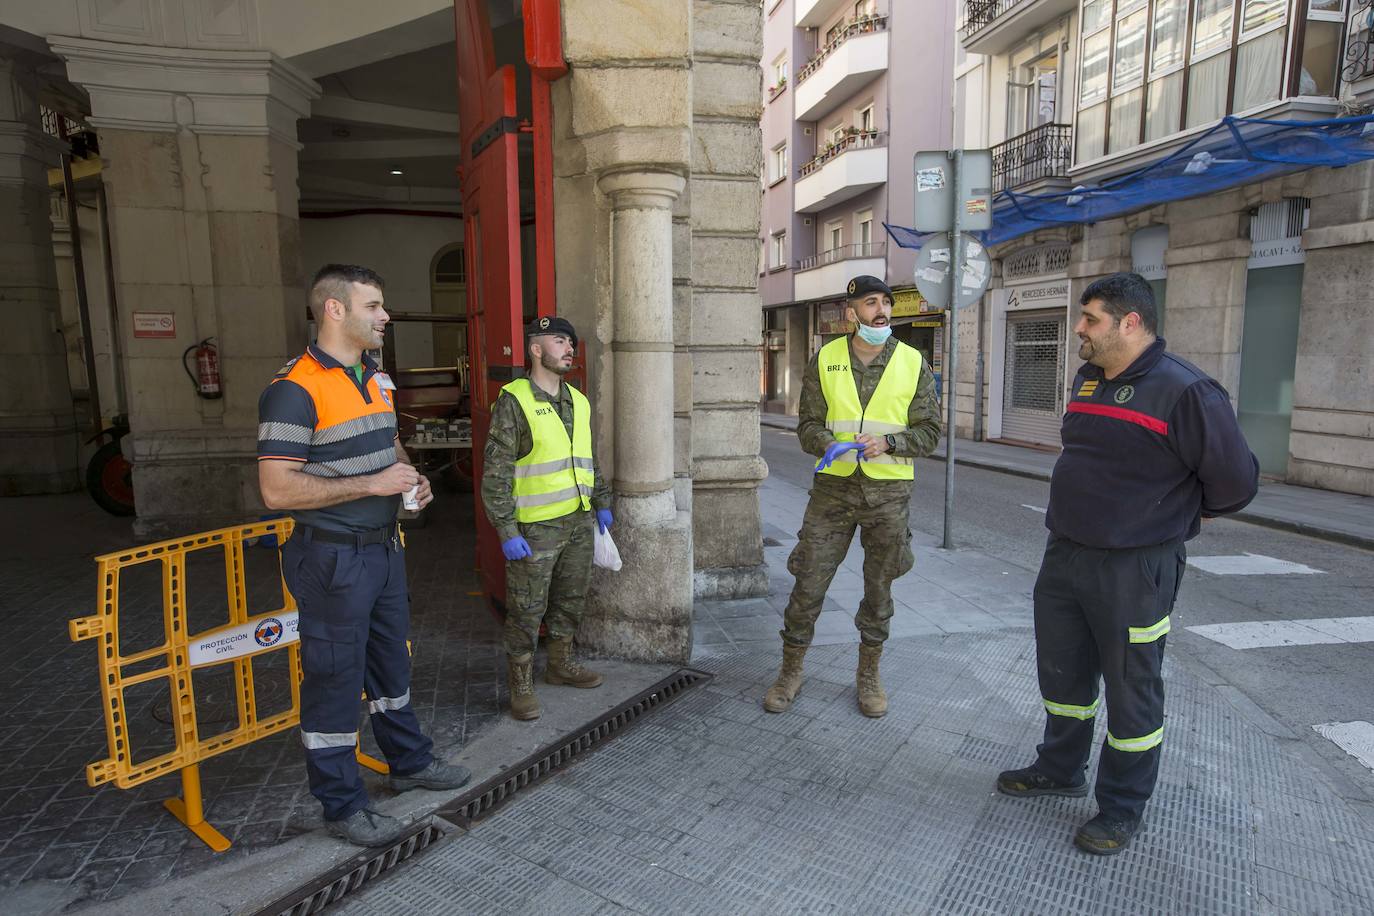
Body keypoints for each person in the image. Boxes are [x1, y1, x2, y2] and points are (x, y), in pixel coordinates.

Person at [996, 272, 1258, 856]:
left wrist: (1172, 516)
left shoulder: (1188, 392)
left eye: (1090, 319)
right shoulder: (1089, 378)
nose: (1079, 329)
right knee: (1063, 677)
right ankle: (1060, 769)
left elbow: (1236, 484)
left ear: (1130, 323)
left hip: (1136, 568)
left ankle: (1121, 807)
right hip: (1066, 554)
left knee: (1131, 688)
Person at [258, 264, 471, 847]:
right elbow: (276, 489)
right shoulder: (293, 388)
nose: (385, 316)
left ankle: (409, 764)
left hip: (381, 551)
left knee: (390, 668)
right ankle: (342, 803)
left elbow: (387, 442)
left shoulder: (371, 375)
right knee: (334, 679)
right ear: (334, 310)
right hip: (330, 559)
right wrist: (370, 486)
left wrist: (410, 480)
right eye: (374, 306)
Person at [763, 275, 942, 717]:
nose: (881, 310)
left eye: (885, 302)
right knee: (808, 582)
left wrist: (891, 444)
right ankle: (790, 670)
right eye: (870, 303)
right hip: (833, 491)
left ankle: (868, 675)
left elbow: (930, 431)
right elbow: (806, 425)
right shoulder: (824, 359)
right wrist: (826, 442)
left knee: (879, 589)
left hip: (888, 494)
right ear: (851, 313)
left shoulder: (912, 362)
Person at [481, 316, 613, 721]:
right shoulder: (514, 400)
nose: (569, 348)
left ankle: (560, 664)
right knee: (526, 608)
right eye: (559, 341)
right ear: (536, 350)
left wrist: (601, 499)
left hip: (577, 520)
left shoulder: (579, 400)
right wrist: (505, 529)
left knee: (571, 599)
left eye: (571, 341)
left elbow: (586, 457)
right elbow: (496, 472)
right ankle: (520, 684)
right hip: (534, 528)